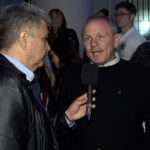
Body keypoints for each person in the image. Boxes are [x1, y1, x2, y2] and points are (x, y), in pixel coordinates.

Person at [0, 3, 95, 150]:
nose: (48, 47)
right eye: (44, 39)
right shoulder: (7, 86)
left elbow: (35, 136)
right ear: (24, 39)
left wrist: (67, 117)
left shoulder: (20, 79)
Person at [58, 15, 150, 150]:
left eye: (100, 37)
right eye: (87, 38)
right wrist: (68, 119)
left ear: (116, 40)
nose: (93, 44)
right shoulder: (72, 75)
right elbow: (58, 126)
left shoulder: (138, 74)